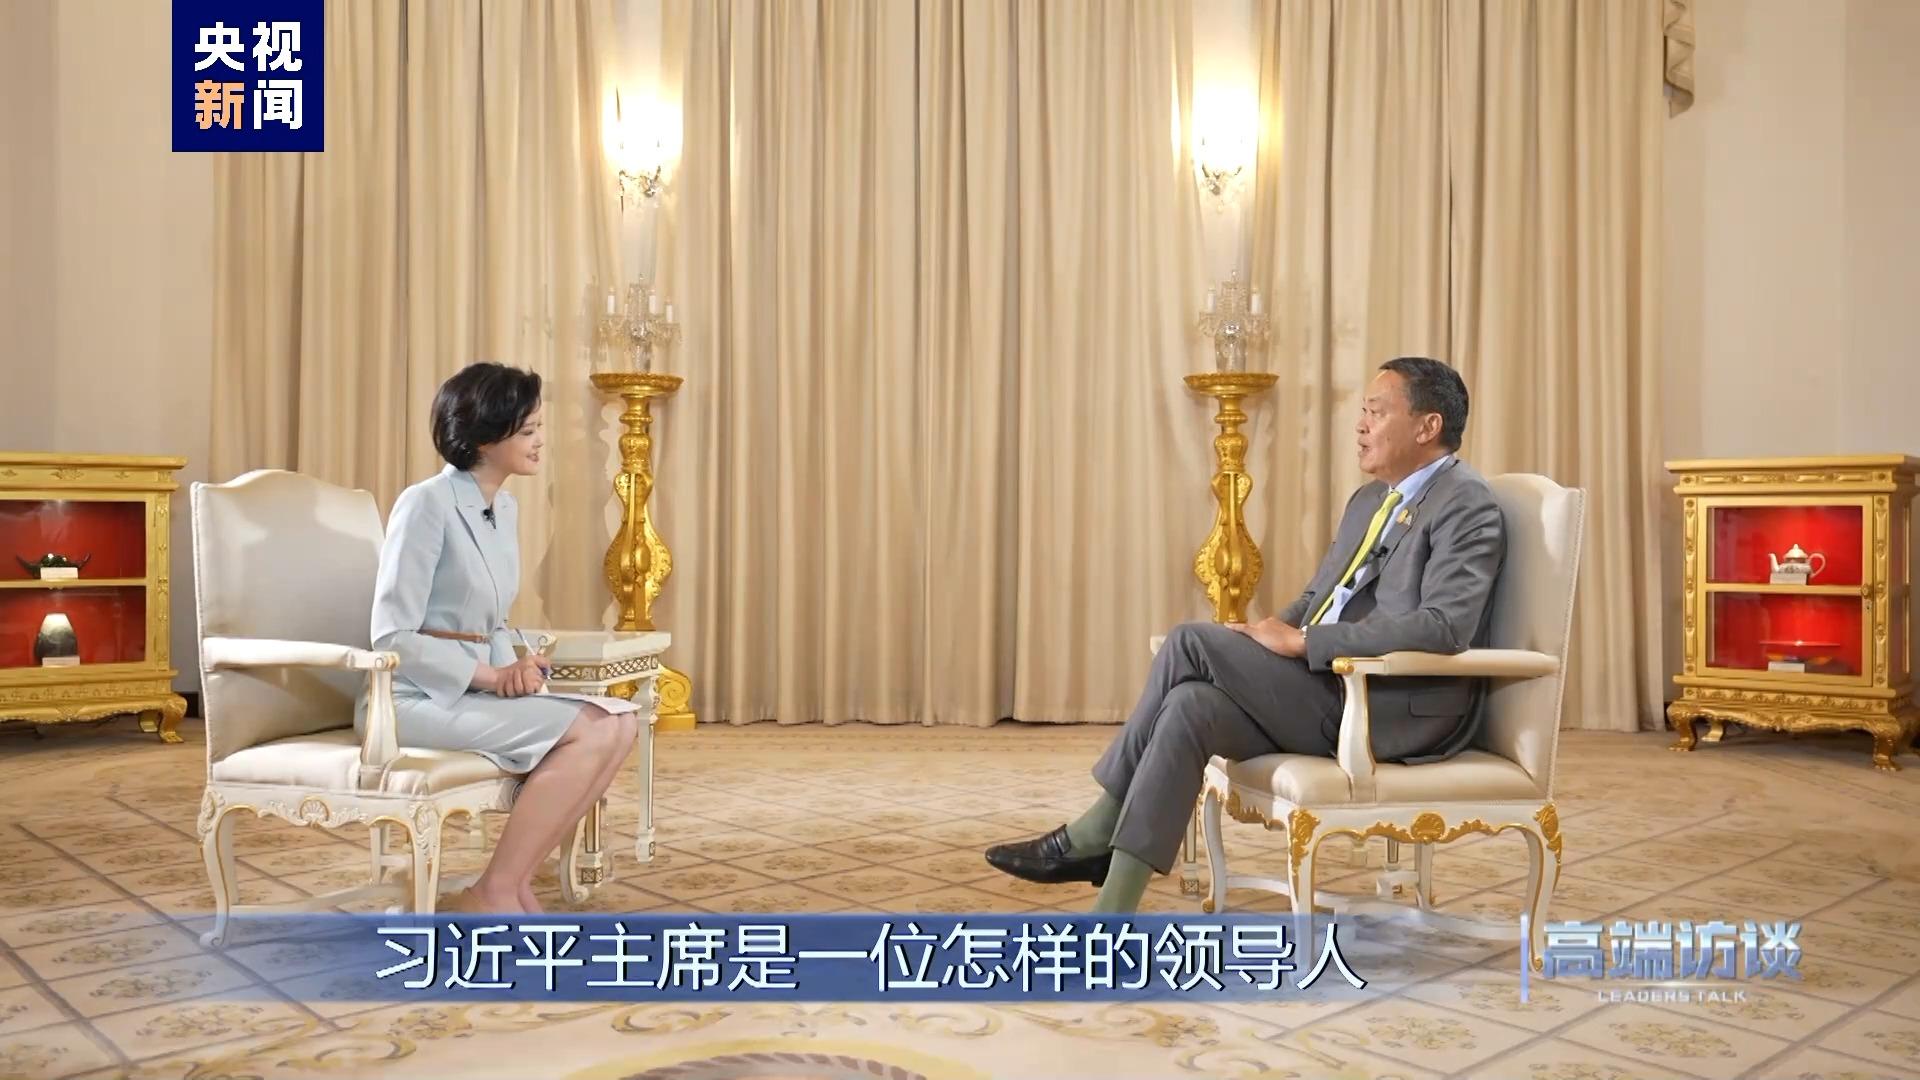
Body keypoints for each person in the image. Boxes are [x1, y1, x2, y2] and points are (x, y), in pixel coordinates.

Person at [984, 356, 1506, 912]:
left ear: (1427, 426)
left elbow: (1445, 625)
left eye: (1376, 413)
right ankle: (1111, 918)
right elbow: (1318, 597)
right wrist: (1264, 635)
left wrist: (1305, 644)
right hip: (1327, 686)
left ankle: (1093, 831)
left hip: (1392, 706)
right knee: (1189, 707)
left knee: (1189, 641)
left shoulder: (1465, 502)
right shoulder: (1370, 501)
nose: (1360, 425)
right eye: (1362, 412)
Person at [360, 361, 641, 914]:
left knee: (622, 722)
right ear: (486, 438)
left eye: (539, 428)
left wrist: (520, 663)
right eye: (528, 430)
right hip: (411, 700)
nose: (540, 442)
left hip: (470, 692)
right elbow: (390, 636)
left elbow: (486, 620)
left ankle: (511, 886)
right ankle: (494, 890)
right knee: (593, 728)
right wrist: (491, 675)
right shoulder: (425, 503)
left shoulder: (502, 507)